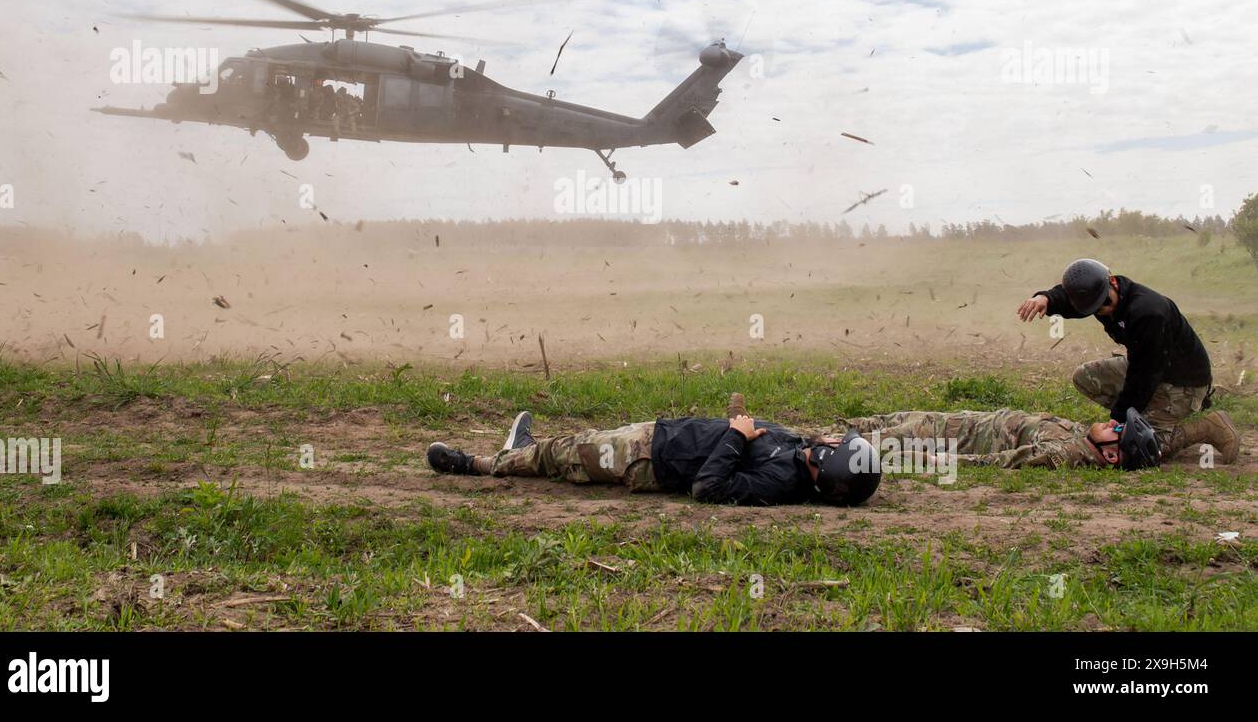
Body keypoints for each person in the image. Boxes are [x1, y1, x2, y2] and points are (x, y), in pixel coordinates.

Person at [426, 407, 882, 507]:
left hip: (649, 460)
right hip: (660, 436)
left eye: (839, 448)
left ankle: (481, 464)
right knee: (570, 446)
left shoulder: (781, 481)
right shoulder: (799, 452)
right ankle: (522, 451)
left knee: (558, 455)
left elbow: (710, 488)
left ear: (827, 468)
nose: (834, 442)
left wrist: (736, 437)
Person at [1018, 258, 1239, 463]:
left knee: (1138, 449)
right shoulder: (1101, 295)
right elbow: (1071, 296)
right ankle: (1154, 417)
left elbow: (1144, 376)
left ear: (1112, 282)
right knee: (1085, 377)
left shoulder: (1148, 312)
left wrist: (1121, 418)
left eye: (1104, 303)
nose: (1104, 310)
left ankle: (1207, 426)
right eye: (1095, 308)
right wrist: (1045, 298)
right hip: (1149, 365)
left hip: (1181, 381)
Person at [843, 406, 1161, 470]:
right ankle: (845, 427)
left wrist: (945, 461)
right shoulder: (1084, 438)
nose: (1112, 423)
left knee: (879, 439)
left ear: (1111, 455)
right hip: (968, 421)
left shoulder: (1064, 453)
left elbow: (1008, 460)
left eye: (1118, 431)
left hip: (956, 438)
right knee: (901, 417)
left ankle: (819, 443)